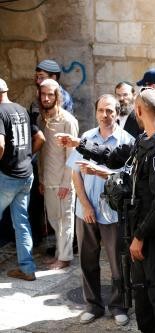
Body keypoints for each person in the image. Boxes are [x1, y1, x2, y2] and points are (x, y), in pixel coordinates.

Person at [56, 88, 155, 332]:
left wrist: (140, 237)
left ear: (138, 111)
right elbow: (115, 156)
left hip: (154, 237)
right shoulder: (144, 141)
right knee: (143, 299)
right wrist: (81, 145)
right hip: (139, 232)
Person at [67, 94, 134, 325]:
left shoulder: (127, 141)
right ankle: (93, 305)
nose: (105, 115)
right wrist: (85, 205)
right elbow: (75, 173)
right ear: (96, 113)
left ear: (117, 113)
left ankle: (119, 306)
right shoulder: (85, 138)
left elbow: (128, 179)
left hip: (114, 213)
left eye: (110, 111)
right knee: (87, 260)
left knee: (118, 262)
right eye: (101, 111)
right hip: (86, 211)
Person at [0, 78, 44, 281]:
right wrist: (27, 157)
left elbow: (0, 145)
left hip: (7, 176)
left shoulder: (0, 113)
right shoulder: (20, 109)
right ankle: (27, 268)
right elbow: (40, 138)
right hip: (26, 175)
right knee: (22, 223)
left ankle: (26, 268)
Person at [38, 79, 78, 270]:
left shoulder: (68, 121)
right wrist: (41, 178)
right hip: (48, 180)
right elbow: (41, 154)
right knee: (55, 221)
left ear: (58, 96)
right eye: (43, 94)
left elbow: (73, 155)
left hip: (63, 182)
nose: (46, 98)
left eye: (50, 94)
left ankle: (65, 257)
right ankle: (58, 254)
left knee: (65, 220)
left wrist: (65, 182)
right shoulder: (41, 119)